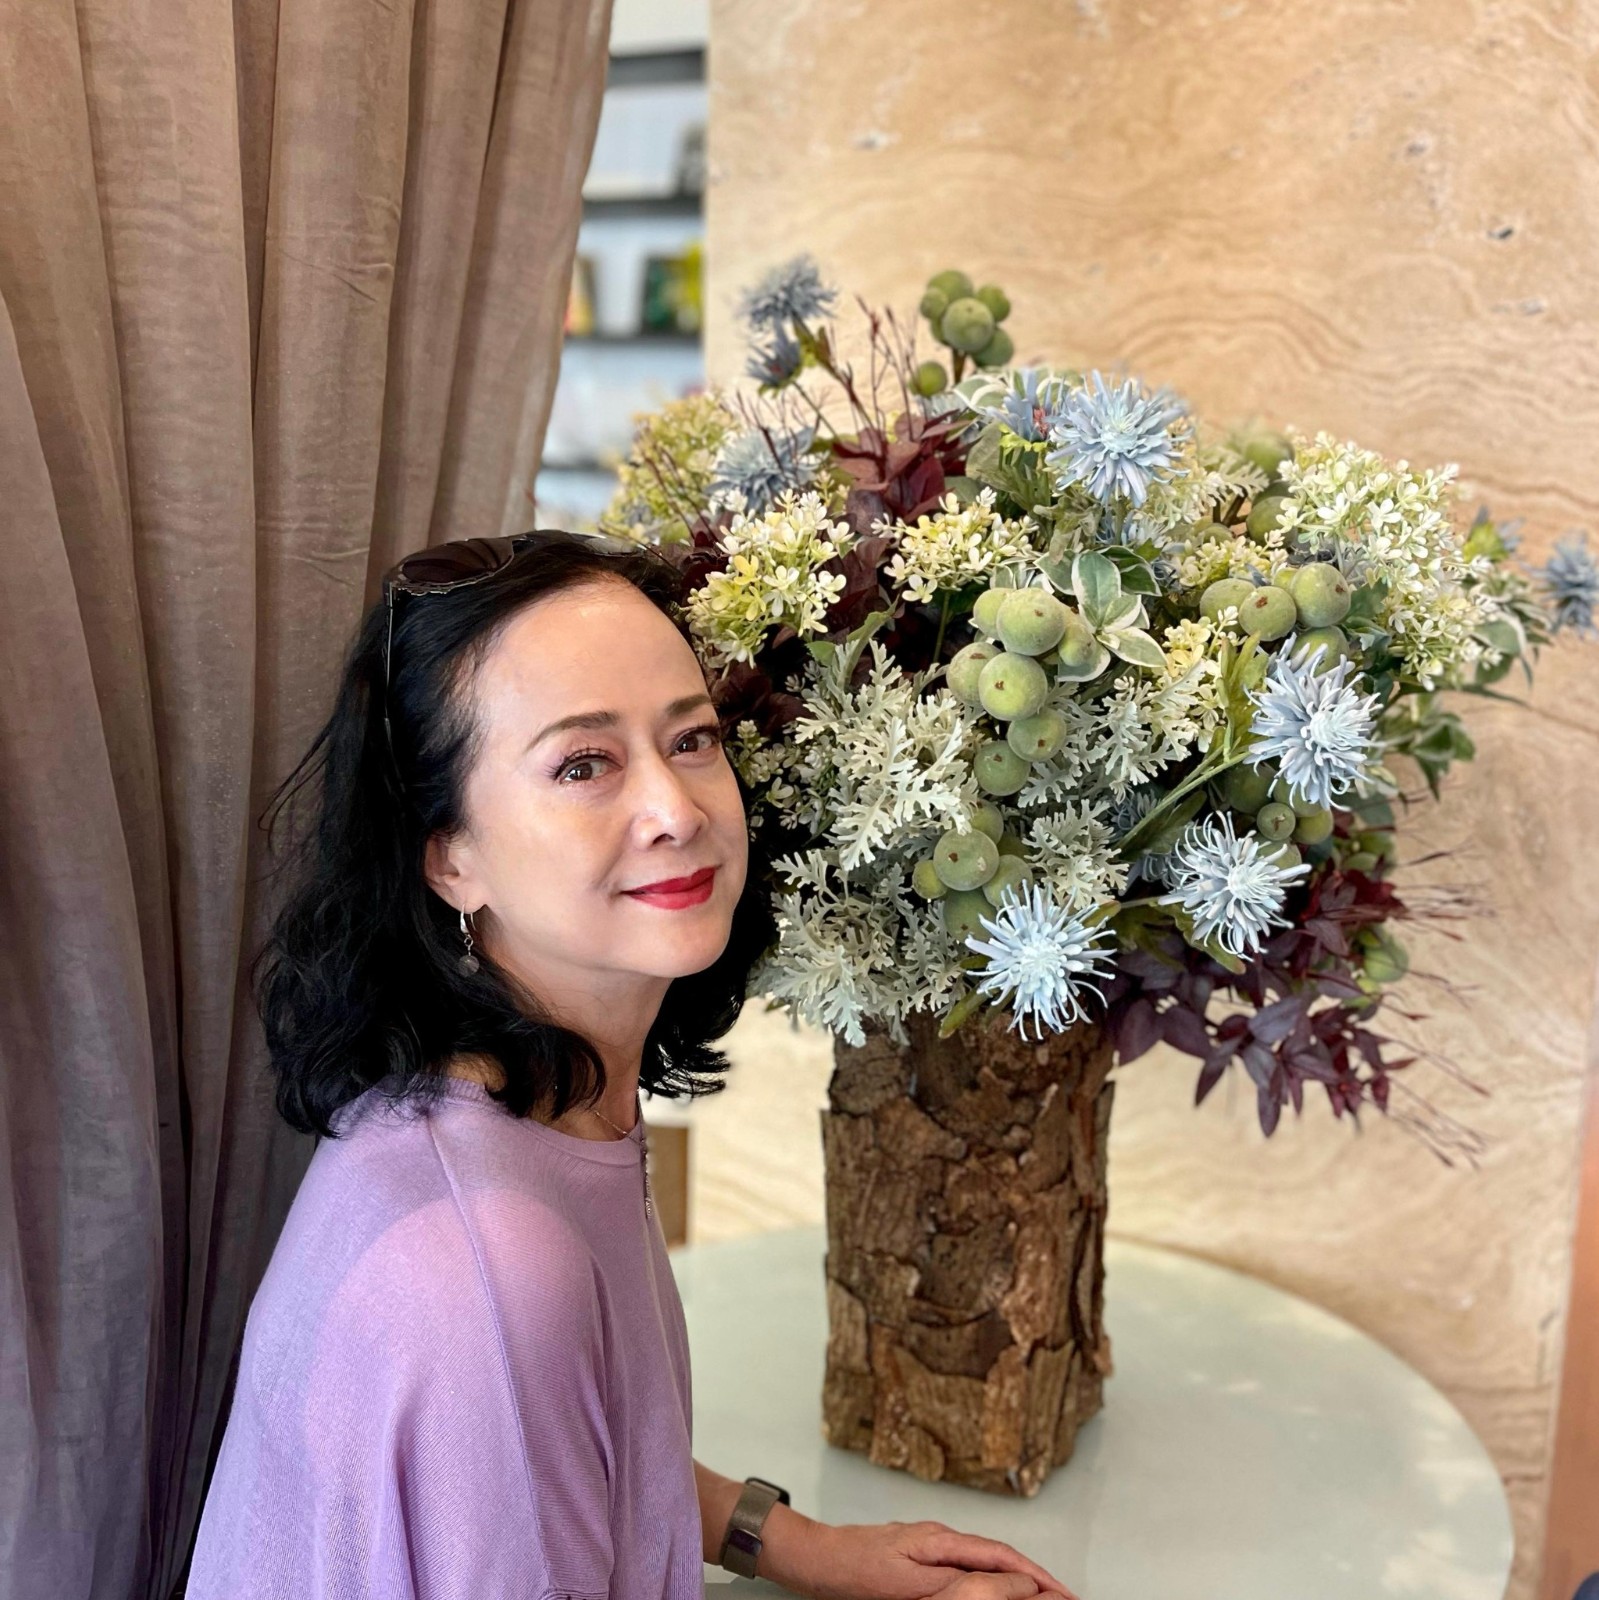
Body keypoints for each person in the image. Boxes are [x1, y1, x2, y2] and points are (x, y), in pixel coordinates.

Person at [186, 529, 1079, 1600]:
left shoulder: (527, 1103)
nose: (677, 810)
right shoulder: (491, 1272)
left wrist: (785, 1540)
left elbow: (579, 1451)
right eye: (583, 763)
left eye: (690, 738)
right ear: (449, 856)